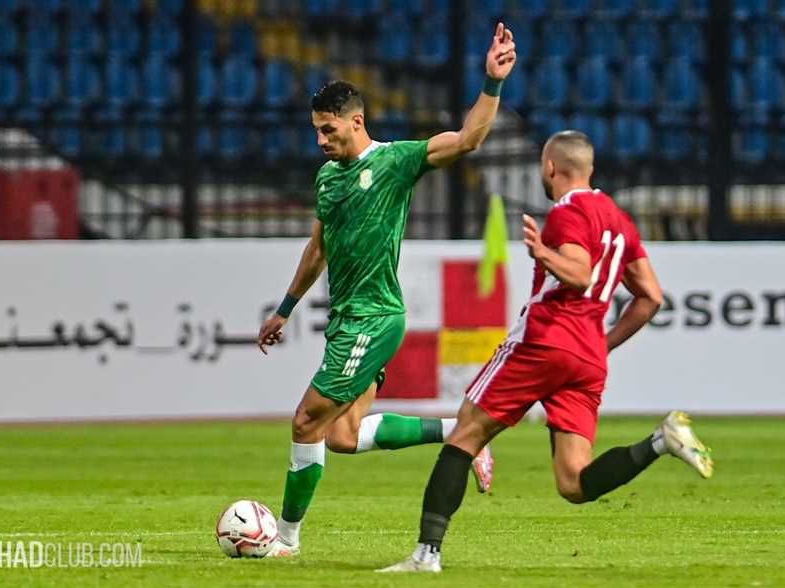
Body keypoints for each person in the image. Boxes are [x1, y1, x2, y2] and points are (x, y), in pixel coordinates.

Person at [379, 131, 715, 573]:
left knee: (465, 434)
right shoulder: (618, 219)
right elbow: (650, 296)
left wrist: (543, 253)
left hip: (544, 341)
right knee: (573, 482)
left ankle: (427, 555)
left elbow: (579, 273)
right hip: (586, 356)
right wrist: (602, 344)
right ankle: (661, 441)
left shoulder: (567, 212)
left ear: (551, 166)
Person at [255, 23, 518, 558]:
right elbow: (318, 249)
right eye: (316, 131)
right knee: (342, 436)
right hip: (345, 320)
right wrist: (285, 308)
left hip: (375, 317)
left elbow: (468, 139)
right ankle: (463, 434)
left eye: (328, 130)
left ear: (356, 121)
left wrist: (492, 83)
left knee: (306, 420)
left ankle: (284, 539)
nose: (320, 140)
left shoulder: (395, 162)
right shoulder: (327, 178)